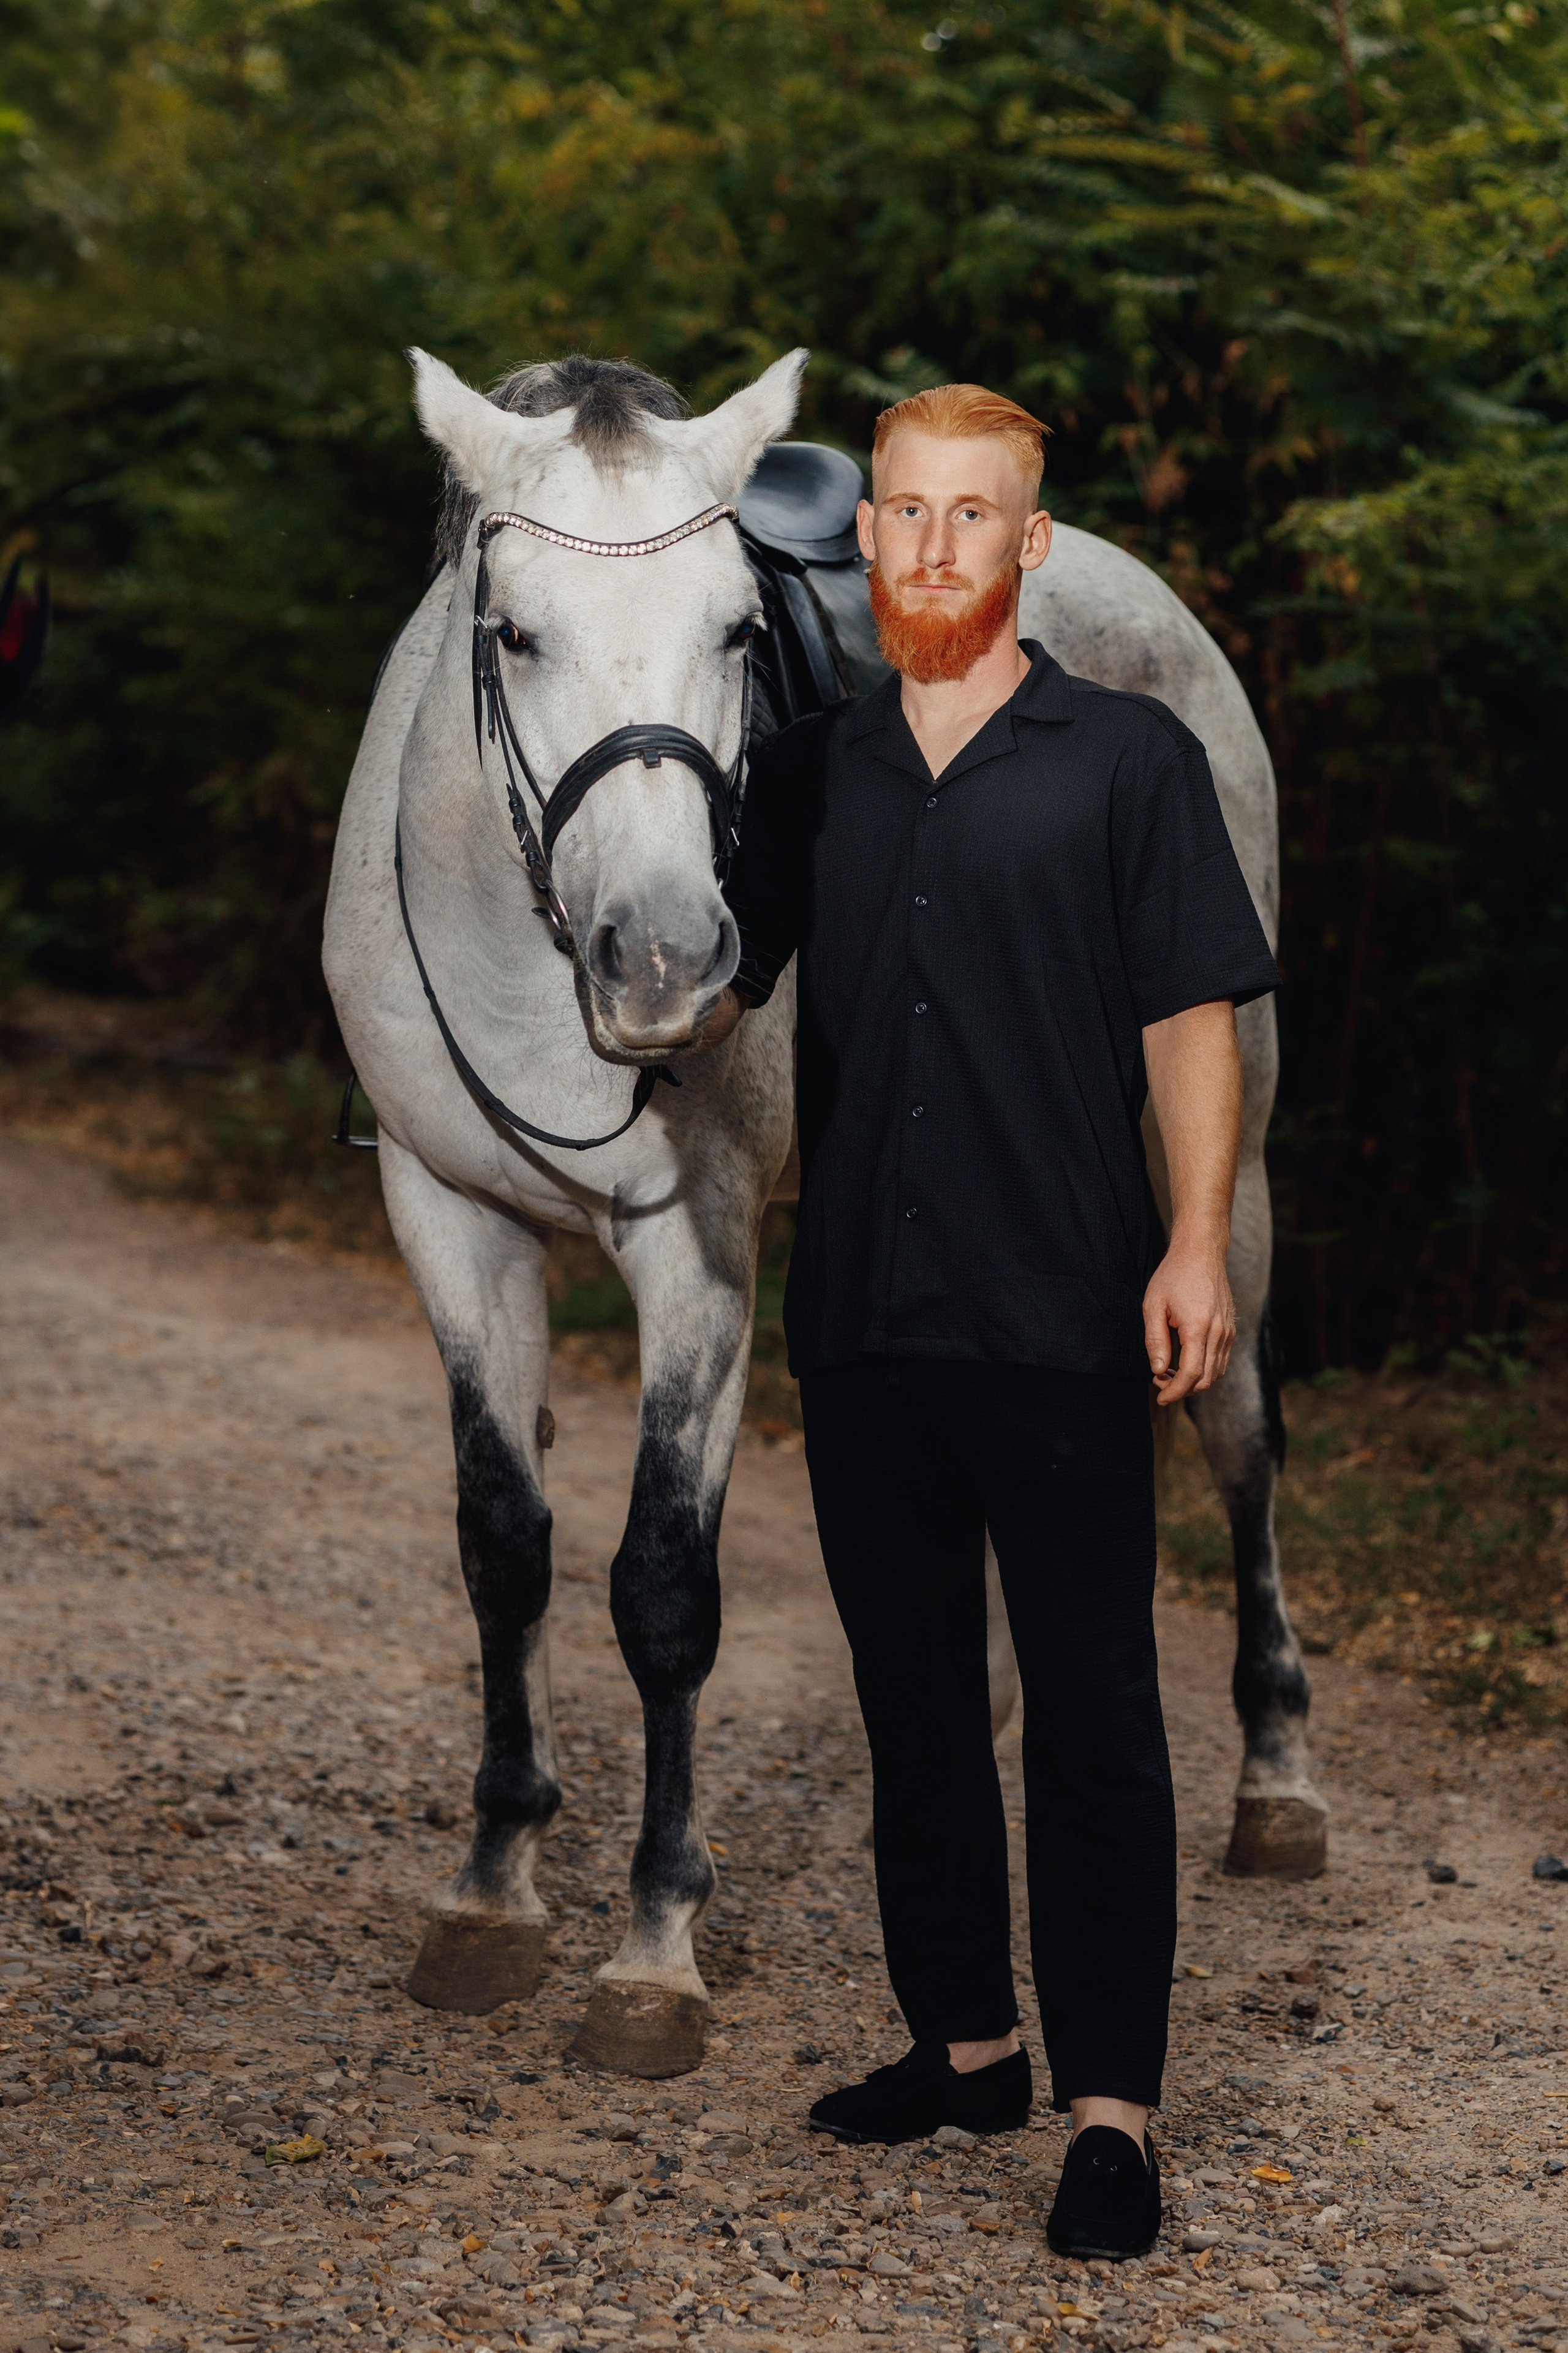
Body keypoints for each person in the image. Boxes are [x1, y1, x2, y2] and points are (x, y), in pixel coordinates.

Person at [700, 384, 1280, 2259]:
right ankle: (966, 2045)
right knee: (915, 1703)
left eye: (974, 515)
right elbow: (710, 1002)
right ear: (860, 535)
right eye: (905, 512)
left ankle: (1113, 2109)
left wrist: (1194, 1239)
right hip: (863, 1312)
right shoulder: (806, 772)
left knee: (1098, 1714)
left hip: (1062, 1312)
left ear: (1029, 545)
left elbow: (1193, 1018)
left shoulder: (1128, 761)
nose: (933, 545)